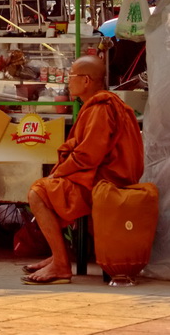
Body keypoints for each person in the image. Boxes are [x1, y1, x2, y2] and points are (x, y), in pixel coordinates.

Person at [21, 55, 144, 285]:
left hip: (104, 183)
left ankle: (60, 264)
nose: (68, 81)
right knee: (50, 187)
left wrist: (59, 172)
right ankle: (58, 255)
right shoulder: (100, 104)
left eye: (72, 76)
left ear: (86, 80)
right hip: (102, 178)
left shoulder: (101, 108)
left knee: (38, 193)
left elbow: (88, 156)